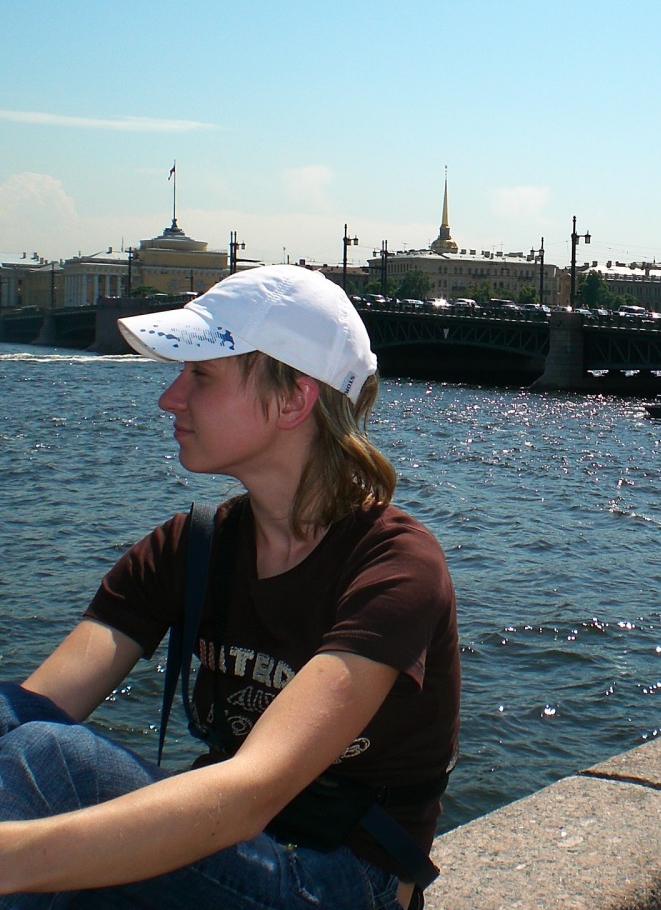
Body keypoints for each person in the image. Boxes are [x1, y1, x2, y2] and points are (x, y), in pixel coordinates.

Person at [0, 265, 460, 909]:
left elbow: (250, 792)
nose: (169, 399)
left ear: (292, 400)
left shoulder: (396, 565)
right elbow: (32, 708)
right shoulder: (191, 547)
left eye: (201, 374)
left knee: (54, 762)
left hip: (342, 880)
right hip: (236, 853)